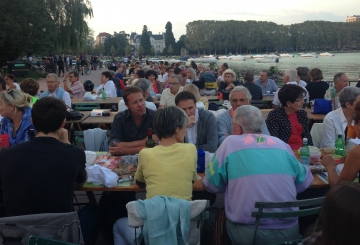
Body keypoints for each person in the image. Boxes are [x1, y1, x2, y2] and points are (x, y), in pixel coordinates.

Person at [203, 105, 313, 245]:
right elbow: (303, 181)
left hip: (250, 233)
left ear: (237, 128)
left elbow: (211, 185)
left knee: (216, 216)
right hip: (290, 232)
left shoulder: (230, 142)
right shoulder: (281, 144)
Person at [113, 106, 197, 245]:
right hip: (182, 228)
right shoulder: (191, 149)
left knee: (117, 225)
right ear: (177, 129)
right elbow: (193, 179)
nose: (185, 130)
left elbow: (139, 182)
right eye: (185, 127)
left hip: (152, 226)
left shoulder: (146, 153)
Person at [0, 96, 87, 216]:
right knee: (94, 211)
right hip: (59, 230)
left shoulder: (6, 155)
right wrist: (67, 143)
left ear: (32, 122)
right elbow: (80, 182)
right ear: (63, 122)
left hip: (18, 230)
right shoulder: (74, 153)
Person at [109, 86, 158, 156]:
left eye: (141, 100)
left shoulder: (155, 116)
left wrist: (126, 150)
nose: (140, 105)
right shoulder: (120, 118)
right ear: (127, 105)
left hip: (149, 158)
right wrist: (144, 142)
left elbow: (155, 146)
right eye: (135, 102)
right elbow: (113, 145)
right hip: (124, 161)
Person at [266, 84, 313, 150]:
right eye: (299, 100)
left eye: (302, 99)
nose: (302, 102)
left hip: (302, 151)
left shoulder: (302, 114)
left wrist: (311, 150)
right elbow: (274, 139)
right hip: (285, 151)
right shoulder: (275, 115)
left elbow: (307, 136)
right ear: (288, 103)